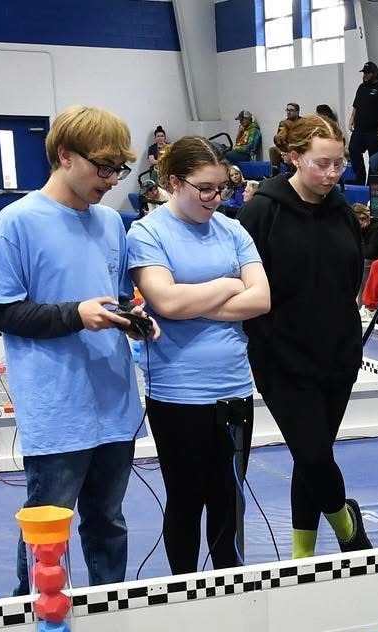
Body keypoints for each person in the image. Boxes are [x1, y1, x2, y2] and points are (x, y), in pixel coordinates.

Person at [0, 105, 157, 595]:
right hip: (57, 410)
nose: (112, 179)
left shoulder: (109, 224)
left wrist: (135, 319)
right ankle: (37, 625)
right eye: (103, 168)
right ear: (64, 156)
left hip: (114, 404)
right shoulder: (18, 221)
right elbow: (3, 311)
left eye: (119, 169)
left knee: (108, 524)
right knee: (47, 536)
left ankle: (107, 618)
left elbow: (114, 297)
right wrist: (75, 314)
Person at [127, 136, 270, 575]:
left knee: (228, 500)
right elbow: (165, 302)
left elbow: (262, 299)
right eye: (204, 188)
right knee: (186, 499)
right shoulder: (147, 233)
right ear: (174, 182)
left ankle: (229, 591)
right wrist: (229, 286)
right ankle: (183, 590)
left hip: (233, 390)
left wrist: (195, 301)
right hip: (177, 394)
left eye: (221, 188)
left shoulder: (233, 229)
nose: (214, 197)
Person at [238, 114, 371, 558]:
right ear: (294, 158)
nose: (332, 174)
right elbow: (247, 282)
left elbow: (352, 277)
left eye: (339, 164)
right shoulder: (263, 210)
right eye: (321, 164)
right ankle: (346, 523)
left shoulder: (342, 210)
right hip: (281, 359)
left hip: (337, 356)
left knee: (311, 457)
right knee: (313, 454)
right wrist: (268, 341)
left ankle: (302, 555)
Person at [347, 61, 378, 185]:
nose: (365, 75)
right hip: (360, 129)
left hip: (376, 131)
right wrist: (351, 118)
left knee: (374, 159)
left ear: (374, 74)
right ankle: (359, 177)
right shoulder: (361, 87)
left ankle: (372, 184)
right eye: (364, 73)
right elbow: (356, 106)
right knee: (352, 149)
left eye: (368, 73)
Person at [269, 102, 301, 173]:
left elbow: (302, 141)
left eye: (291, 110)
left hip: (297, 149)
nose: (288, 112)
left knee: (294, 155)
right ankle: (275, 173)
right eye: (287, 110)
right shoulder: (283, 123)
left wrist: (290, 153)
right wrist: (283, 152)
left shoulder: (303, 123)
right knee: (273, 150)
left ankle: (294, 176)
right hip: (285, 149)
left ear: (297, 112)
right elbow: (278, 141)